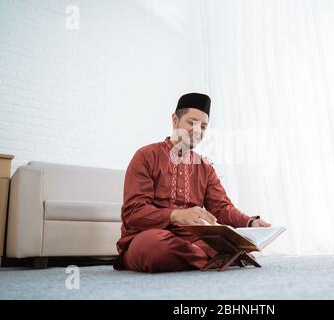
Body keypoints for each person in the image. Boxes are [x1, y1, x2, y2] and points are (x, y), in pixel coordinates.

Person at [113, 92, 270, 273]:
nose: (198, 131)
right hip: (149, 236)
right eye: (191, 123)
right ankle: (215, 257)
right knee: (154, 248)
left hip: (191, 239)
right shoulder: (146, 156)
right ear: (175, 120)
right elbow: (134, 212)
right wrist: (175, 215)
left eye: (203, 126)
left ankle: (204, 255)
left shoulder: (205, 166)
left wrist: (250, 223)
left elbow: (221, 207)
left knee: (235, 245)